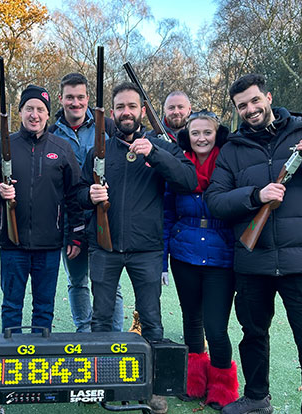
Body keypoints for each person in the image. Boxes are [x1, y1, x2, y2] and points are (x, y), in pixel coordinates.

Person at [205, 74, 302, 414]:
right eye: (242, 105)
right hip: (254, 261)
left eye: (254, 100)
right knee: (253, 334)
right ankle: (257, 398)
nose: (250, 109)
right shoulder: (232, 149)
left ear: (269, 97)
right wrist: (256, 195)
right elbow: (214, 200)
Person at [78, 82, 198, 414]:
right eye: (120, 107)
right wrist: (89, 196)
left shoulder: (161, 146)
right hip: (104, 248)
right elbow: (76, 194)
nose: (126, 112)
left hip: (147, 250)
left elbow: (188, 180)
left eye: (132, 106)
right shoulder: (97, 152)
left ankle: (152, 389)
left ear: (143, 111)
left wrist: (155, 154)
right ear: (112, 113)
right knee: (101, 319)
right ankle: (101, 381)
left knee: (152, 321)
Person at [0, 84, 84, 333]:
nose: (34, 115)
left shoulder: (62, 149)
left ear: (48, 114)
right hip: (11, 244)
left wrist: (76, 236)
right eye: (29, 109)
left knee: (44, 308)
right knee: (11, 306)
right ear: (20, 112)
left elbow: (75, 196)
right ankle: (11, 363)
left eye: (40, 109)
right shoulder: (5, 145)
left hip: (49, 246)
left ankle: (39, 364)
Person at [163, 110, 238, 410]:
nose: (201, 138)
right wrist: (164, 255)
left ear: (216, 134)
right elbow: (168, 213)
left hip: (221, 257)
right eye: (195, 133)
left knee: (216, 328)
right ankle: (194, 382)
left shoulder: (229, 164)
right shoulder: (179, 166)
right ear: (188, 136)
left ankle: (222, 388)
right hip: (185, 255)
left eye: (207, 132)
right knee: (191, 322)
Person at [48, 72, 124, 333]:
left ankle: (115, 336)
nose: (75, 103)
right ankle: (84, 333)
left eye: (80, 97)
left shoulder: (109, 127)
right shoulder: (50, 132)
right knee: (77, 281)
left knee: (111, 283)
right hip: (70, 218)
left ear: (88, 98)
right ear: (61, 99)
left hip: (106, 215)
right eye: (69, 97)